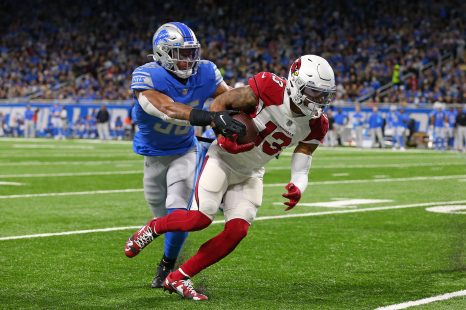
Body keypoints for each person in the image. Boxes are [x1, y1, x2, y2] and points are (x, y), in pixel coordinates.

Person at [125, 54, 335, 300]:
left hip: (251, 172)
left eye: (324, 94)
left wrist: (298, 185)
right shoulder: (269, 88)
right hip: (222, 159)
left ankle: (179, 278)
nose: (320, 100)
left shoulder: (317, 123)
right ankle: (153, 228)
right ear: (297, 84)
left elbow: (303, 160)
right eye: (315, 92)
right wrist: (222, 133)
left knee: (237, 231)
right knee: (199, 218)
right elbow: (221, 104)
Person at [128, 22, 244, 289]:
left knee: (178, 211)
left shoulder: (206, 72)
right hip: (153, 155)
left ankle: (167, 265)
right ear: (162, 53)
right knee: (161, 214)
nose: (188, 59)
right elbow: (167, 109)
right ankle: (166, 247)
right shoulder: (147, 76)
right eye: (180, 53)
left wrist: (253, 125)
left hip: (184, 150)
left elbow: (230, 100)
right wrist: (211, 118)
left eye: (191, 52)